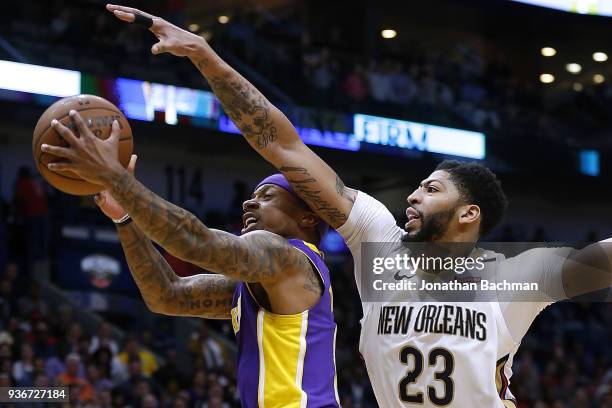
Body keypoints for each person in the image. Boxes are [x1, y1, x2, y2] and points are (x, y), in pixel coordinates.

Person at [101, 4, 612, 407]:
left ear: (469, 213)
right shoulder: (380, 246)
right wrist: (204, 57)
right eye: (417, 186)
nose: (413, 194)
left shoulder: (516, 277)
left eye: (433, 190)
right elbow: (284, 146)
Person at [41, 117, 340, 406]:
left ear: (307, 217)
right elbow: (166, 295)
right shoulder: (263, 282)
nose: (250, 203)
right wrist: (124, 217)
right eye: (252, 195)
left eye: (267, 196)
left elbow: (195, 242)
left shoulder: (289, 257)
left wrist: (115, 178)